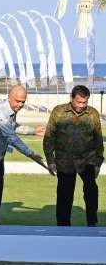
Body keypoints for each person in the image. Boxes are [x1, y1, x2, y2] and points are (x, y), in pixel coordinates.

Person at [0, 85, 45, 225]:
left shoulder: (10, 108)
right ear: (9, 97)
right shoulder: (1, 111)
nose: (20, 105)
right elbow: (11, 136)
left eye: (23, 102)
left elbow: (13, 126)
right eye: (17, 101)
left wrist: (33, 131)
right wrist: (31, 154)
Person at [43, 85, 103, 227]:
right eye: (79, 102)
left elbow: (98, 139)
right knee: (65, 195)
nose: (82, 105)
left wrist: (98, 163)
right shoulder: (58, 112)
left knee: (91, 191)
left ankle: (92, 223)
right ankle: (63, 227)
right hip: (65, 161)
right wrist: (50, 161)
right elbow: (49, 137)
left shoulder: (93, 114)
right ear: (71, 98)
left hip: (87, 159)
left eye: (85, 102)